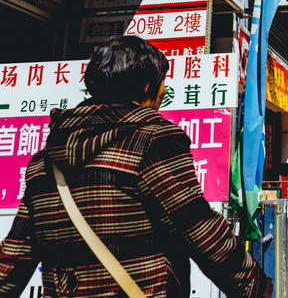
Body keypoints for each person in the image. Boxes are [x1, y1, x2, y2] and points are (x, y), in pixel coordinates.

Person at [0, 36, 272, 297]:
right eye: (162, 81)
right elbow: (198, 227)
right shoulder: (152, 140)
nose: (164, 90)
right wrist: (255, 286)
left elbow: (17, 250)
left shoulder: (45, 160)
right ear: (146, 87)